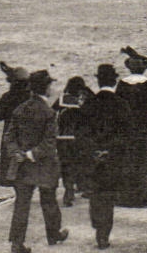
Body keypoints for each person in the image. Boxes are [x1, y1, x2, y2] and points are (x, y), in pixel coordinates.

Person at [1, 69, 68, 253]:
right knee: (49, 200)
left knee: (21, 204)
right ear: (46, 88)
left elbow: (9, 137)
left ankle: (16, 243)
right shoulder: (48, 113)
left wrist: (18, 153)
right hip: (44, 164)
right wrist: (32, 154)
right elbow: (49, 142)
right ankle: (54, 234)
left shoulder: (20, 109)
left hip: (22, 166)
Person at [84, 64, 136, 249]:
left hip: (92, 158)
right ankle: (103, 234)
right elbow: (127, 134)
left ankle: (97, 222)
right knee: (108, 195)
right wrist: (110, 151)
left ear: (98, 81)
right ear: (114, 81)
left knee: (96, 193)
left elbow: (81, 133)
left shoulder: (89, 103)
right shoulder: (121, 104)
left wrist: (93, 151)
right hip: (113, 158)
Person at [115, 47, 147, 209]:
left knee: (126, 161)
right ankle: (143, 198)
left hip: (126, 128)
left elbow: (117, 108)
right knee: (144, 162)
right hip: (143, 128)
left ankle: (126, 197)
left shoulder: (122, 85)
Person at [54, 75, 92, 208]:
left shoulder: (61, 99)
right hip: (78, 139)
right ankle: (83, 187)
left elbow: (52, 113)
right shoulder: (83, 102)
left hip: (62, 138)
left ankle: (68, 191)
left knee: (66, 165)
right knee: (79, 163)